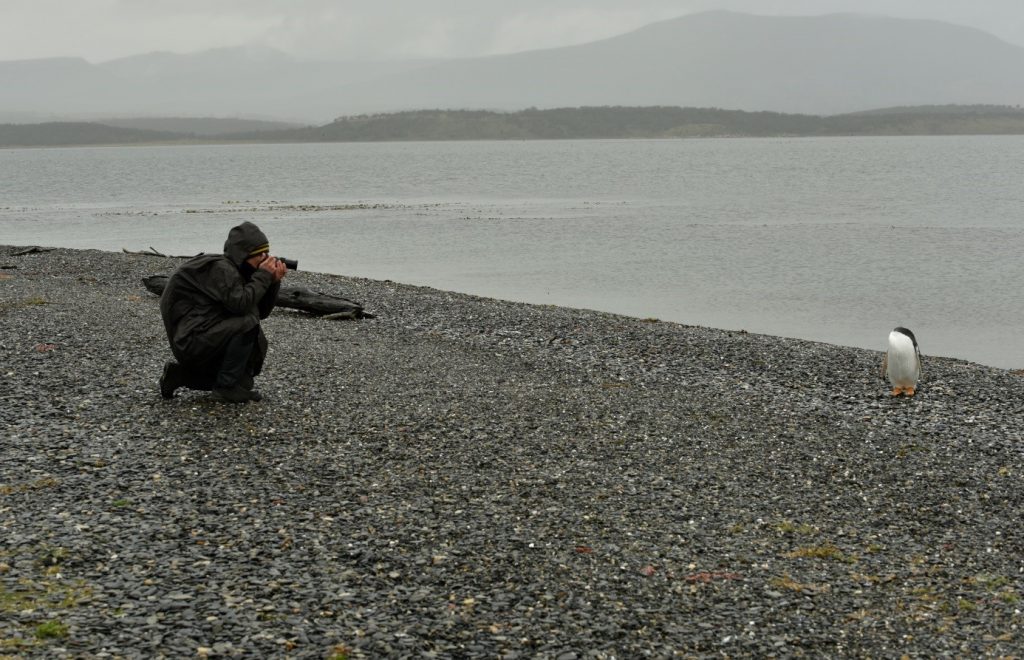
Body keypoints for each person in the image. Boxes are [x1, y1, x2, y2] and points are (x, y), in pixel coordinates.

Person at [158, 221, 287, 403]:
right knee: (247, 323)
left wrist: (273, 282)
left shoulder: (237, 270)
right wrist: (264, 276)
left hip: (203, 336)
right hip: (191, 340)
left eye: (267, 253)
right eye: (261, 255)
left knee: (244, 381)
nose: (265, 259)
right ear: (243, 255)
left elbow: (261, 312)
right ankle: (226, 388)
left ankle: (179, 376)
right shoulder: (221, 269)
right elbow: (241, 305)